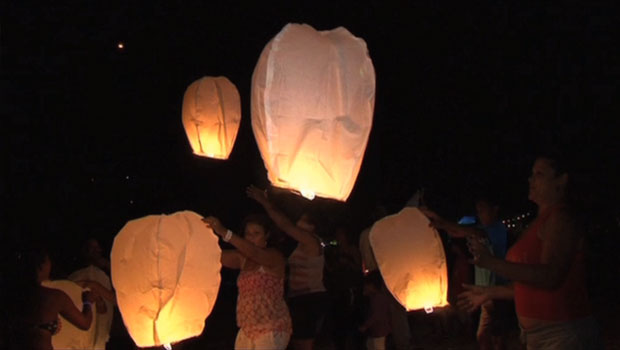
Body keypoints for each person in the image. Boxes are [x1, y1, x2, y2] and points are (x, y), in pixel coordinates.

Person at [459, 154, 603, 349]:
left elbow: (550, 276)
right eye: (532, 174)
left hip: (563, 333)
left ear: (561, 180)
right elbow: (530, 283)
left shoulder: (561, 218)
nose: (531, 179)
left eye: (539, 174)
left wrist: (492, 262)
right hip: (538, 336)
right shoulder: (539, 222)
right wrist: (489, 292)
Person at [422, 196, 510, 349]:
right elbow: (458, 232)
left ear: (495, 210)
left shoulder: (496, 230)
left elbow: (471, 231)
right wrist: (439, 221)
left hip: (497, 292)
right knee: (484, 336)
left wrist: (442, 223)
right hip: (485, 294)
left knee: (495, 336)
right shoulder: (481, 232)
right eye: (478, 211)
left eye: (483, 210)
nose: (480, 214)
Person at [247, 185, 328, 350]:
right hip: (301, 299)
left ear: (312, 227)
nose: (298, 223)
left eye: (303, 221)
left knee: (303, 344)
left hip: (309, 298)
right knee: (298, 342)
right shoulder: (302, 244)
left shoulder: (311, 241)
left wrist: (265, 202)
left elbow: (285, 224)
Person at [203, 214, 292, 350]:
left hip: (271, 327)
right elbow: (212, 256)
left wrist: (224, 232)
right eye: (247, 234)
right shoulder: (242, 259)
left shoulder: (274, 257)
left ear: (267, 236)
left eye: (256, 233)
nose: (251, 238)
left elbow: (255, 253)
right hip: (247, 328)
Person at [8, 245, 95, 350]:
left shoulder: (13, 295)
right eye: (48, 260)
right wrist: (88, 302)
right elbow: (85, 324)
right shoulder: (54, 297)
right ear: (41, 266)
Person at [69, 238, 116, 350]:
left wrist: (94, 285)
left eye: (97, 248)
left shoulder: (106, 276)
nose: (95, 251)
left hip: (100, 334)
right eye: (91, 248)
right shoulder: (75, 276)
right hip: (79, 336)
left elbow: (114, 301)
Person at [359, 271, 391, 350]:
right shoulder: (377, 297)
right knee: (371, 345)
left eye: (366, 285)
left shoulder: (377, 299)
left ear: (372, 286)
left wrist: (365, 326)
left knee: (377, 346)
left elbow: (376, 315)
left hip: (379, 330)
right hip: (378, 330)